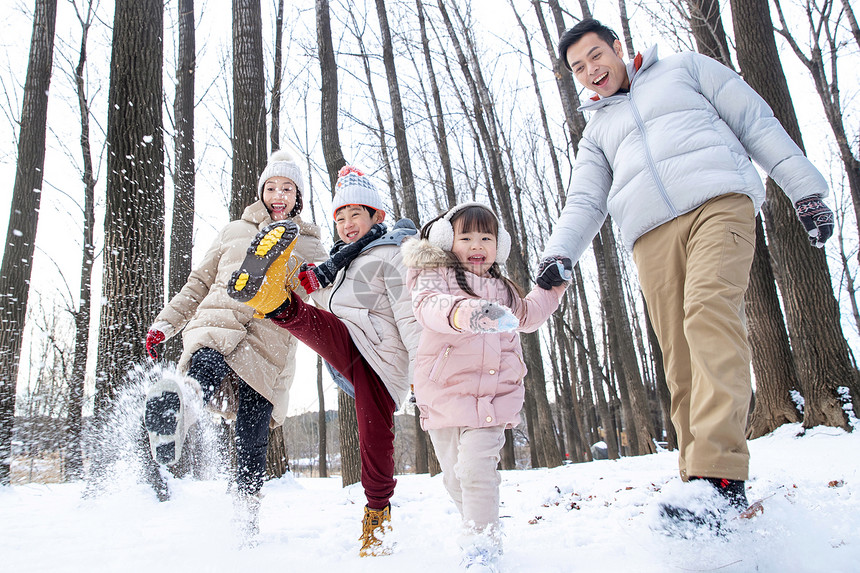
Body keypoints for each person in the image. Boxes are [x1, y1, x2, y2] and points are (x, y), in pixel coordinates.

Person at [537, 18, 835, 528]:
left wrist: (804, 189)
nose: (591, 71)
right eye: (578, 68)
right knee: (679, 359)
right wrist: (558, 253)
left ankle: (720, 476)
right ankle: (699, 484)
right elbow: (585, 198)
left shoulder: (684, 70)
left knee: (708, 313)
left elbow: (754, 122)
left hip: (718, 203)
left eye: (595, 56)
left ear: (617, 46)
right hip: (650, 234)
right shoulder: (598, 130)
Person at [226, 165, 421, 557]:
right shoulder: (338, 263)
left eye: (357, 214)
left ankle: (377, 520)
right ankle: (268, 290)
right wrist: (309, 278)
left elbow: (410, 317)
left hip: (384, 361)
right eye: (341, 216)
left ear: (376, 217)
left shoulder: (392, 255)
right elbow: (323, 303)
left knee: (375, 442)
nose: (348, 224)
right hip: (349, 348)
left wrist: (424, 377)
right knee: (308, 315)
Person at [143, 149, 327, 541]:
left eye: (288, 188)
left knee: (252, 434)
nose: (279, 195)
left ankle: (246, 519)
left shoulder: (309, 244)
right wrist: (164, 325)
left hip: (268, 344)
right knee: (204, 368)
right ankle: (178, 413)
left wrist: (315, 284)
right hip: (218, 321)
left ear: (299, 197)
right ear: (262, 192)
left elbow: (327, 293)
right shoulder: (232, 231)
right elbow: (196, 284)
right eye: (272, 187)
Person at [402, 203, 566, 570]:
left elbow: (528, 316)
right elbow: (429, 307)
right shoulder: (434, 275)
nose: (477, 245)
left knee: (477, 470)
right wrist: (467, 313)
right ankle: (476, 524)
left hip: (492, 399)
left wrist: (551, 290)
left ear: (499, 245)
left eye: (486, 237)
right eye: (467, 237)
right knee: (454, 479)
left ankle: (482, 549)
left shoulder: (504, 289)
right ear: (447, 240)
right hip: (444, 395)